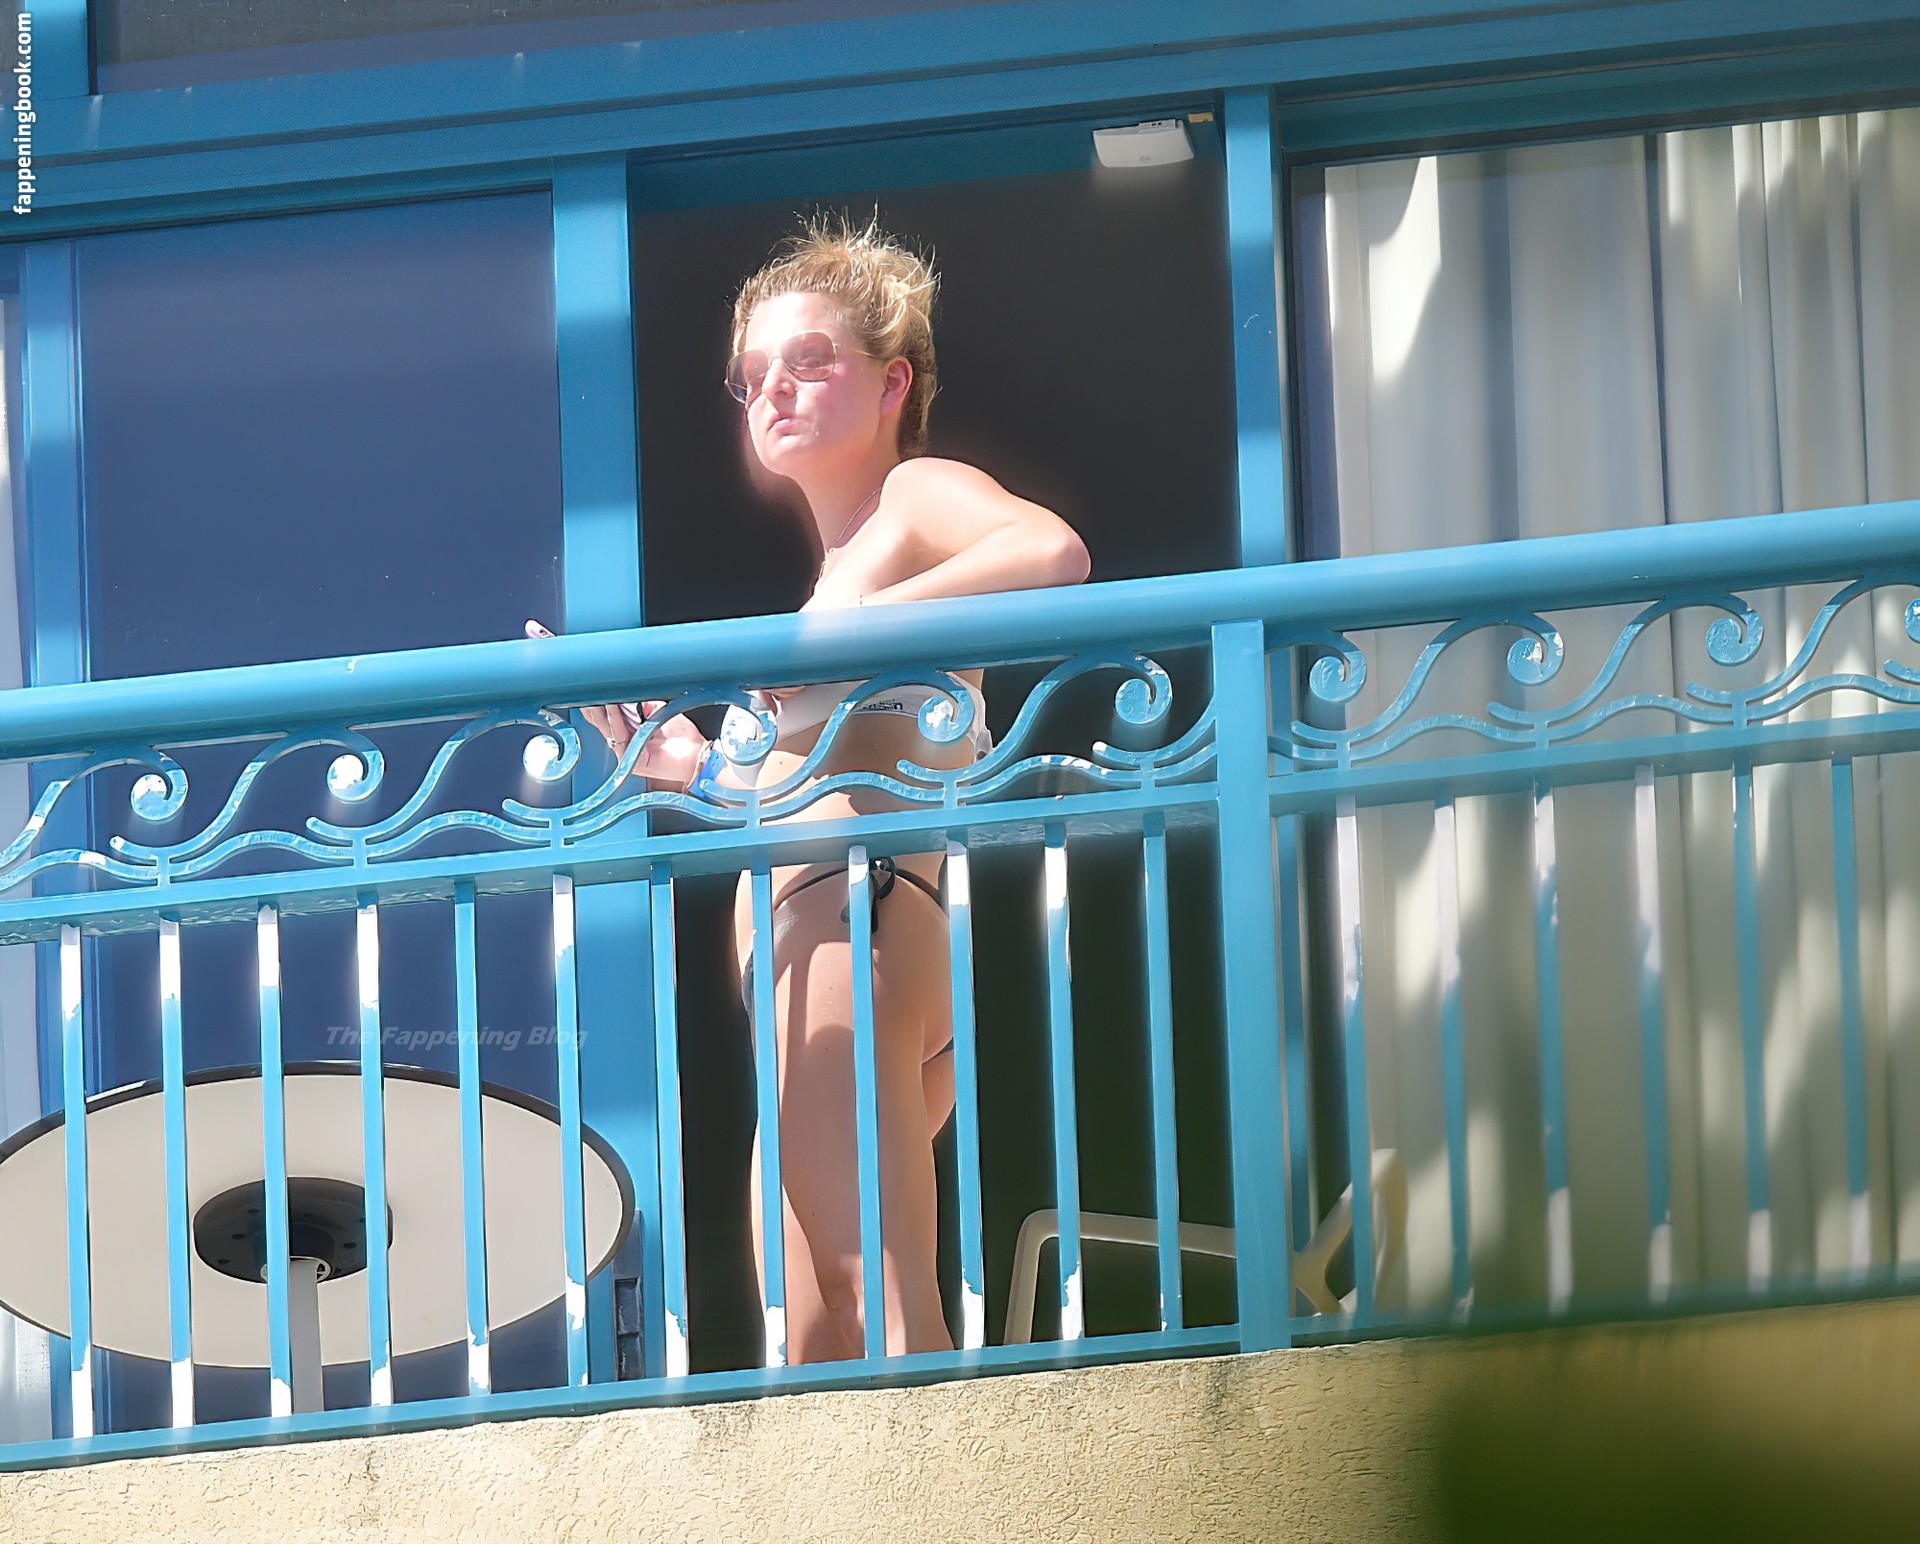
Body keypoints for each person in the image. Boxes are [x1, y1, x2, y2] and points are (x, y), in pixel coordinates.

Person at [582, 217, 1089, 1363]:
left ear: (892, 381)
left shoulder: (912, 498)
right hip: (818, 948)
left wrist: (851, 626)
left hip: (848, 928)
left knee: (881, 1310)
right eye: (752, 373)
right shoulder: (832, 582)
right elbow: (814, 780)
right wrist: (696, 770)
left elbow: (1053, 553)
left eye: (810, 360)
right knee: (816, 1347)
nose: (774, 388)